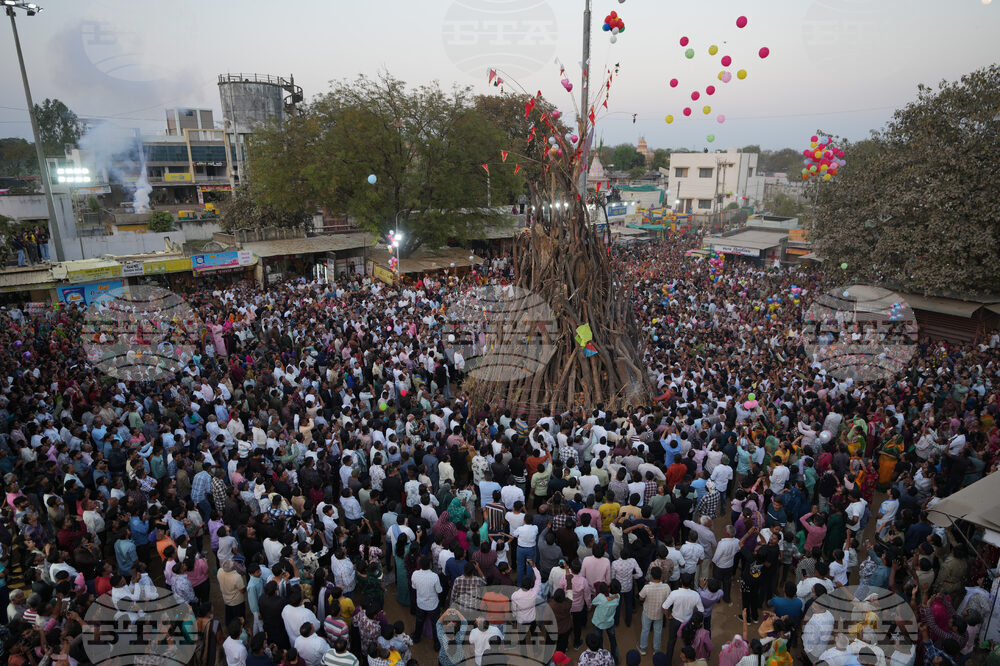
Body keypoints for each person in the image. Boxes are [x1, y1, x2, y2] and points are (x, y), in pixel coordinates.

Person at [662, 576, 704, 664]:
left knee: (671, 641)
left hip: (675, 621)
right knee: (687, 643)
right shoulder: (695, 595)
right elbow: (701, 610)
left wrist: (669, 616)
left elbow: (665, 607)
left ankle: (668, 662)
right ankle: (687, 662)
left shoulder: (675, 593)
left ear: (681, 581)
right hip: (688, 622)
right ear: (691, 583)